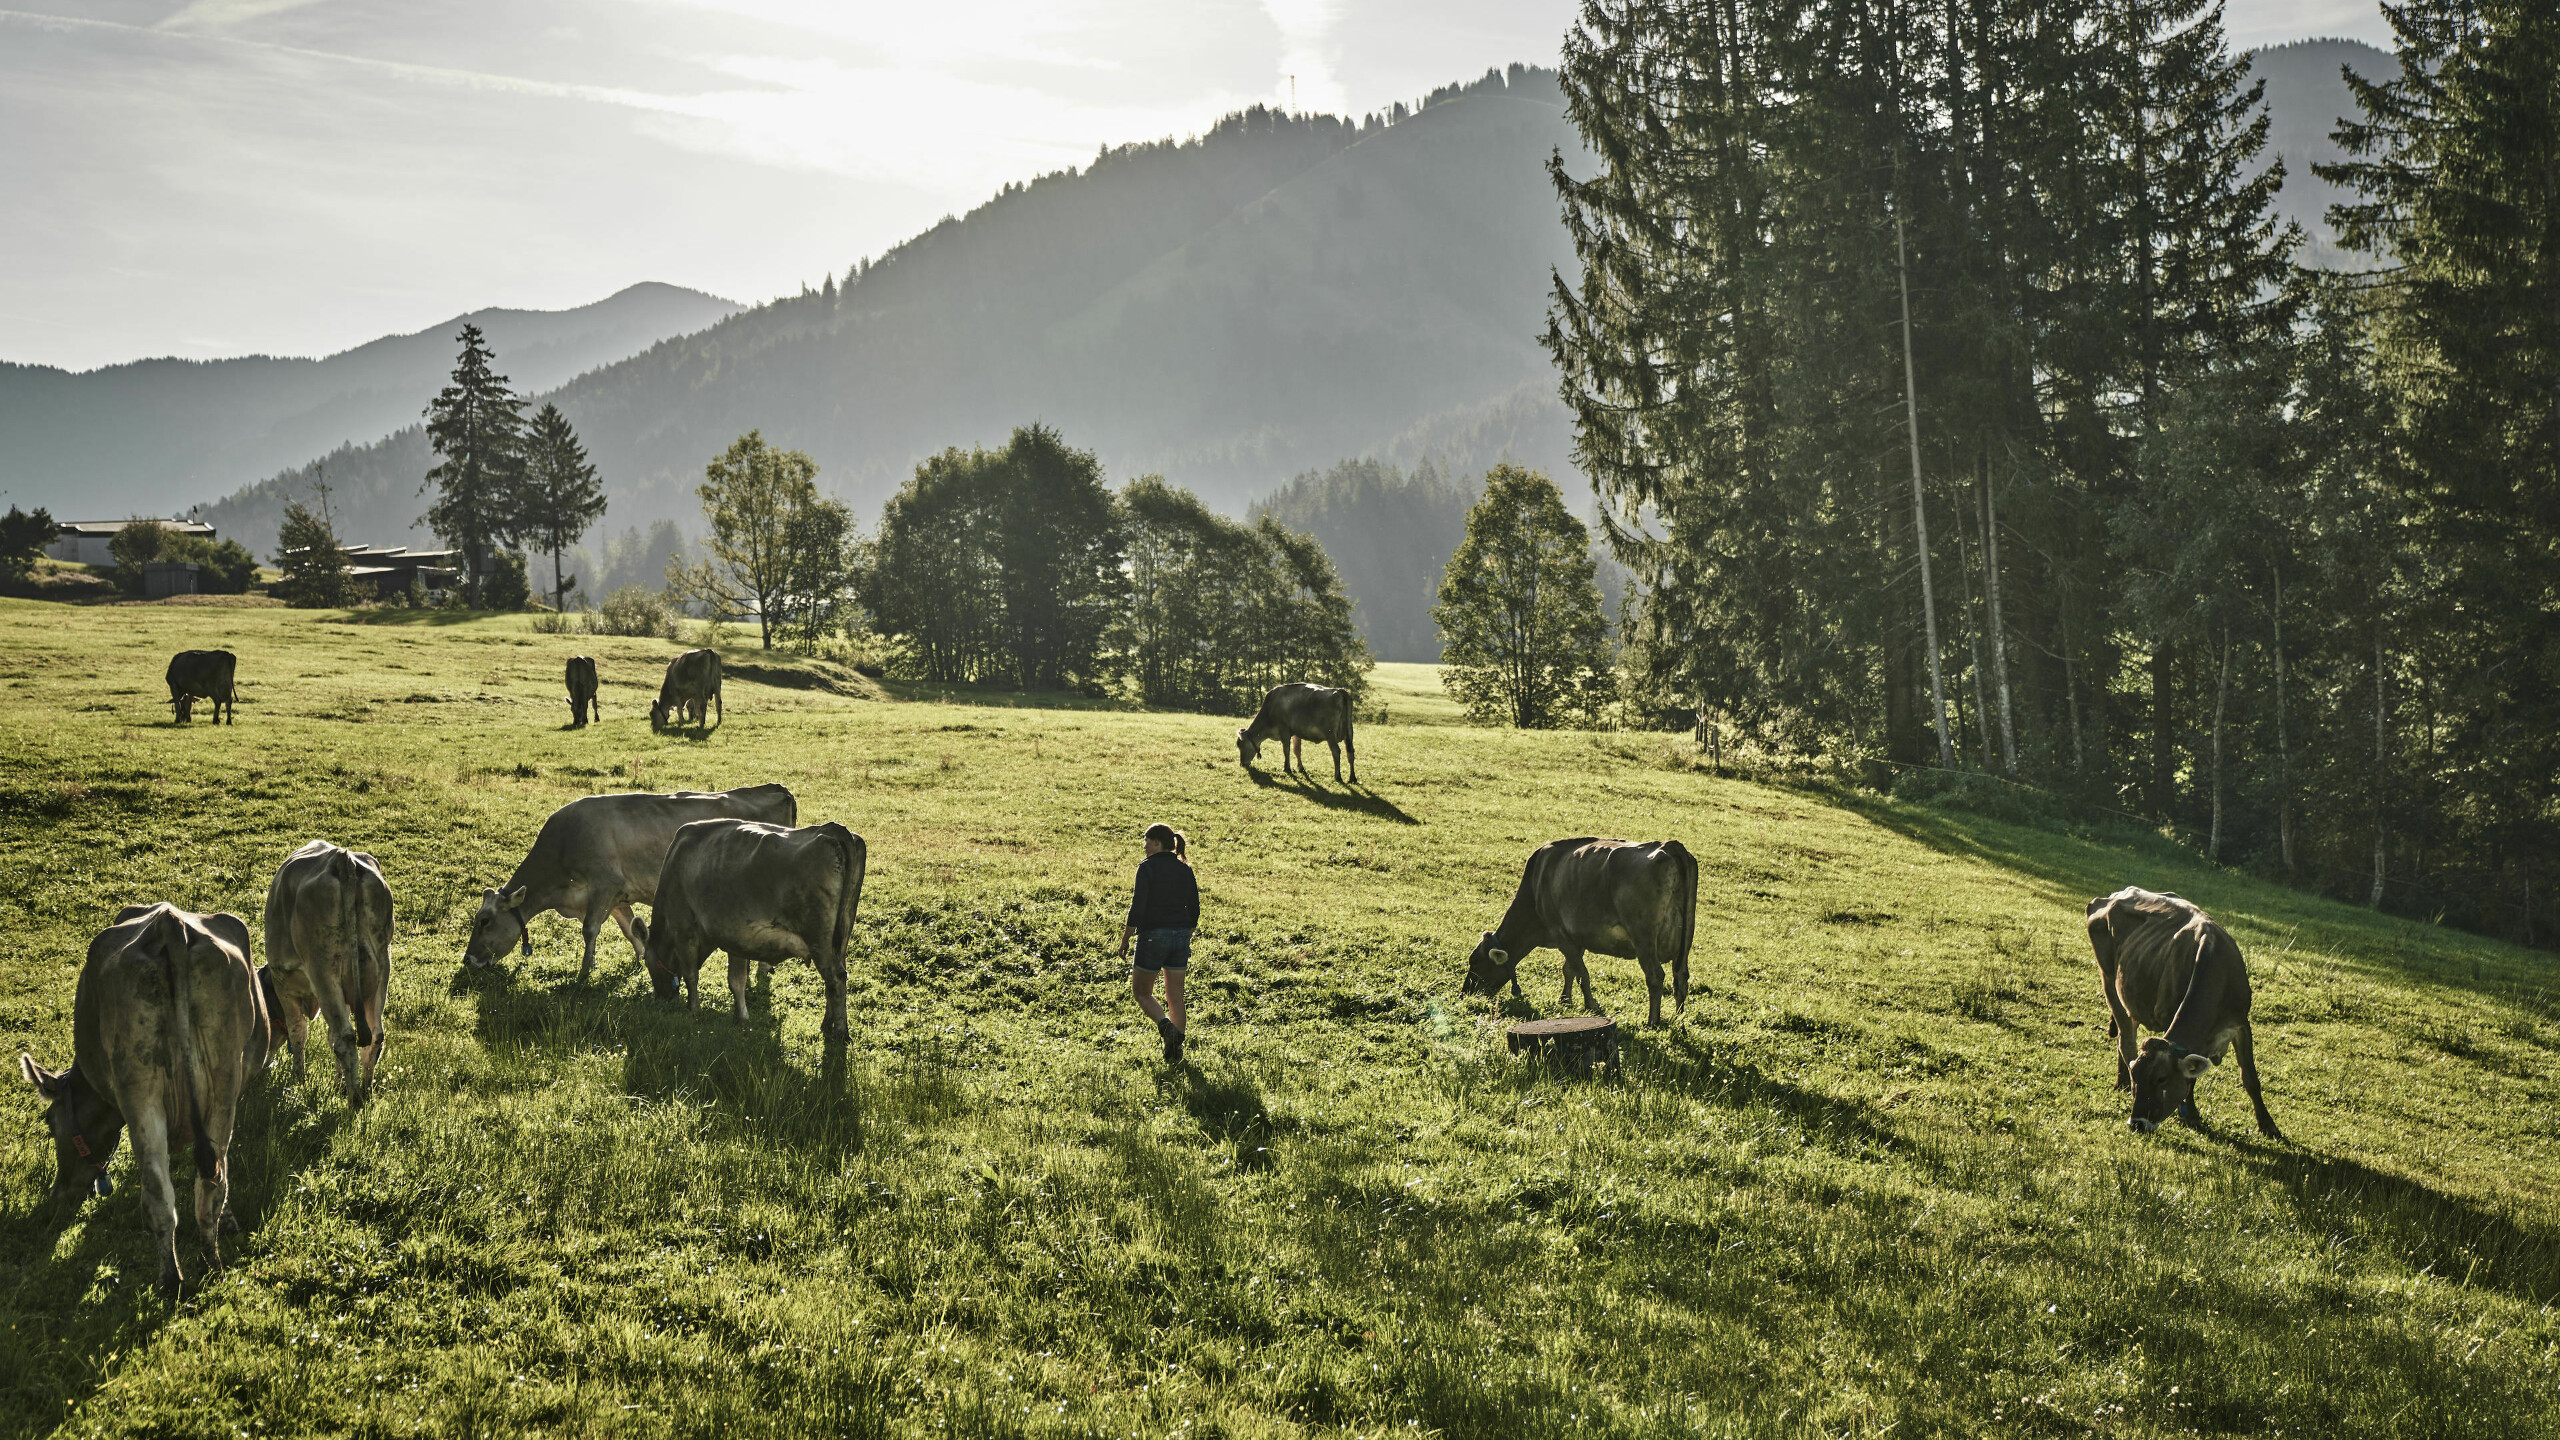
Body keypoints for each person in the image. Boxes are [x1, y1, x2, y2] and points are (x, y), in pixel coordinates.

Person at [1119, 822, 1198, 1063]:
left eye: (1146, 841)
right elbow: (1194, 909)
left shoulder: (1147, 867)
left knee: (1142, 992)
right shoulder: (1185, 869)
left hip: (1153, 935)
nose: (1144, 847)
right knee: (1176, 997)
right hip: (1181, 935)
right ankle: (1175, 1052)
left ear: (1156, 842)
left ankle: (1167, 1029)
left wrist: (1125, 938)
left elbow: (1138, 907)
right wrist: (1186, 934)